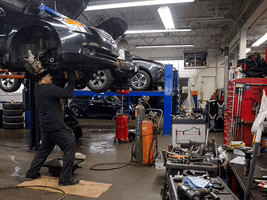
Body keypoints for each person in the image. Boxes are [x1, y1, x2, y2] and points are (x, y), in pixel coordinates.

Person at [26, 70, 78, 186]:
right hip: (55, 126)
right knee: (69, 144)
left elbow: (58, 90)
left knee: (44, 149)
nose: (51, 77)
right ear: (43, 78)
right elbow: (68, 93)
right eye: (49, 75)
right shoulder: (48, 89)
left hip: (46, 125)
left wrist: (64, 80)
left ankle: (32, 173)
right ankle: (66, 179)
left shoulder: (38, 90)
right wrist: (72, 79)